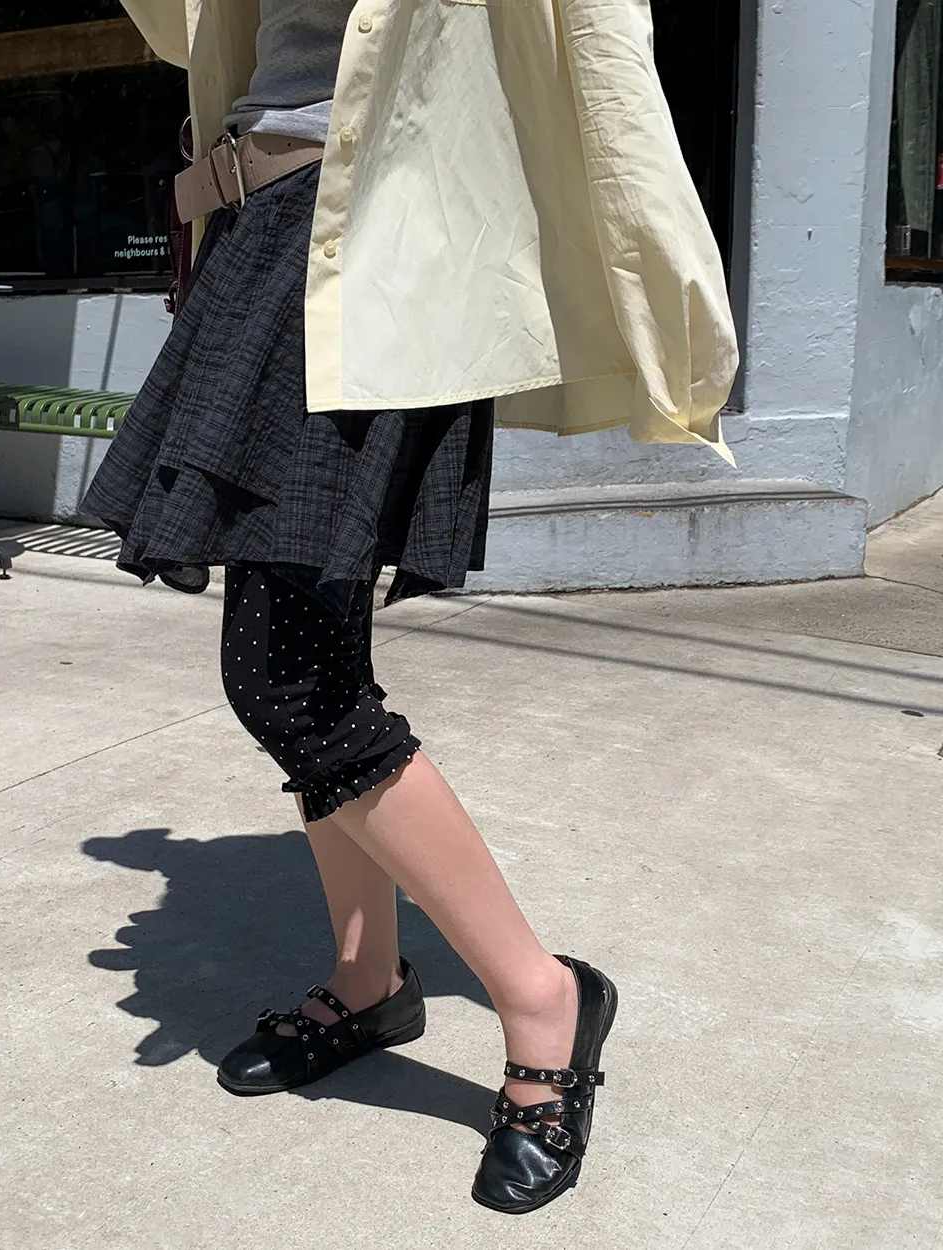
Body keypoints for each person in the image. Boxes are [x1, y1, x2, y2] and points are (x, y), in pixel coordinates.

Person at [84, 0, 737, 1214]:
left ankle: (543, 996)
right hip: (261, 232)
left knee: (289, 679)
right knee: (314, 658)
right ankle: (369, 974)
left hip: (375, 235)